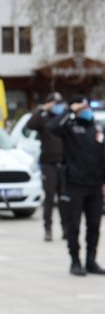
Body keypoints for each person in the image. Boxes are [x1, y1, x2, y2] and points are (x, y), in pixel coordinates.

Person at [48, 95, 105, 276]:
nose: (86, 109)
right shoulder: (69, 127)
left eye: (87, 106)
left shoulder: (98, 128)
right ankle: (75, 261)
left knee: (94, 225)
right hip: (74, 185)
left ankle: (91, 261)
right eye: (83, 107)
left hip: (95, 185)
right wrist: (70, 110)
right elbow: (53, 127)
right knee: (74, 226)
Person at [26, 92, 68, 241]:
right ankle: (48, 229)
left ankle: (66, 228)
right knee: (49, 199)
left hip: (63, 164)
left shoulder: (64, 119)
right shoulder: (43, 119)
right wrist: (42, 109)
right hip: (48, 164)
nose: (57, 106)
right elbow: (30, 125)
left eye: (59, 104)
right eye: (54, 104)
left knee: (65, 199)